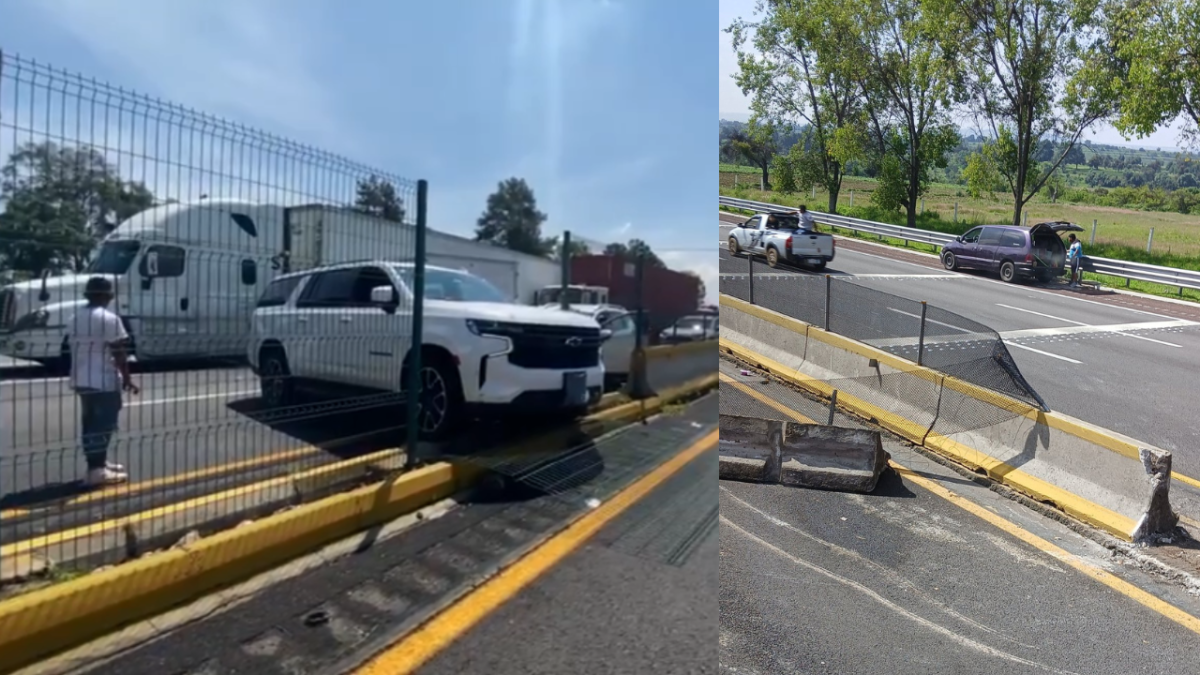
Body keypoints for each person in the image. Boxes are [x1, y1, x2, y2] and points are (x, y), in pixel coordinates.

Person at [68, 276, 139, 486]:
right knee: (104, 424)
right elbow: (119, 351)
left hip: (80, 376)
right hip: (103, 379)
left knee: (89, 423)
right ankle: (96, 471)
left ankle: (96, 463)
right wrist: (127, 378)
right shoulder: (109, 319)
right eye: (109, 295)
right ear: (105, 296)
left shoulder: (75, 317)